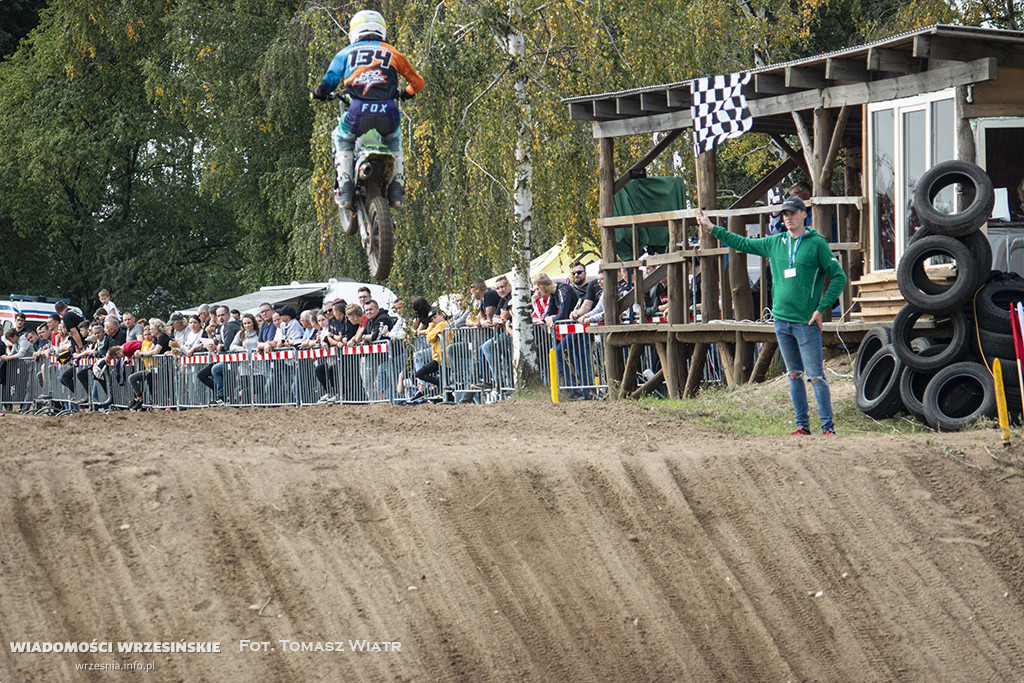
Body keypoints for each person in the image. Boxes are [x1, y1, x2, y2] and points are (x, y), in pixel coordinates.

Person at [697, 196, 847, 435]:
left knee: (816, 376)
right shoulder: (776, 242)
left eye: (791, 213)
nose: (787, 218)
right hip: (780, 320)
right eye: (784, 215)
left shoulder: (816, 243)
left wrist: (822, 309)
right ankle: (802, 426)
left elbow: (839, 276)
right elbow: (742, 243)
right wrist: (712, 228)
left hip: (806, 321)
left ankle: (828, 428)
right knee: (794, 374)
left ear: (803, 214)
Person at [311, 9, 425, 209]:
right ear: (382, 30)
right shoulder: (393, 52)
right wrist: (406, 92)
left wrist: (319, 93)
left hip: (358, 112)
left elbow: (329, 81)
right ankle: (397, 189)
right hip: (388, 113)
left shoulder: (346, 52)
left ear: (354, 31)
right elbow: (418, 82)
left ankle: (345, 187)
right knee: (394, 141)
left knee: (341, 137)